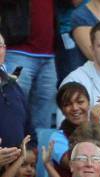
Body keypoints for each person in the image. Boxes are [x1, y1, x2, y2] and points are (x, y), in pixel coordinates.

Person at [3, 1, 57, 130]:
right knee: (12, 109)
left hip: (48, 54)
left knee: (44, 117)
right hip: (18, 51)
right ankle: (13, 149)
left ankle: (39, 150)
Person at [0, 31, 35, 158]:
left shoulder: (13, 86)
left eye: (0, 46)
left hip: (18, 168)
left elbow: (29, 129)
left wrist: (30, 153)